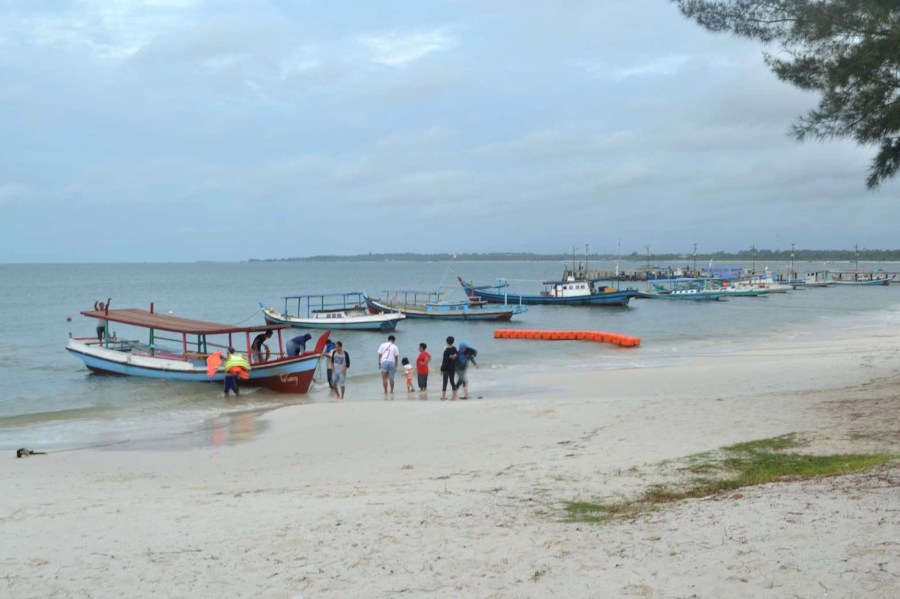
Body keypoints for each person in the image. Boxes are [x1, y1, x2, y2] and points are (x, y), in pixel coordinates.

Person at [440, 336, 458, 401]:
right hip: (452, 368)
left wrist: (441, 369)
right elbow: (456, 356)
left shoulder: (446, 351)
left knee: (445, 382)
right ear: (453, 342)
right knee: (452, 381)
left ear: (447, 342)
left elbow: (444, 361)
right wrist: (453, 356)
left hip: (446, 368)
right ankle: (454, 397)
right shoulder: (454, 349)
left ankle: (443, 397)